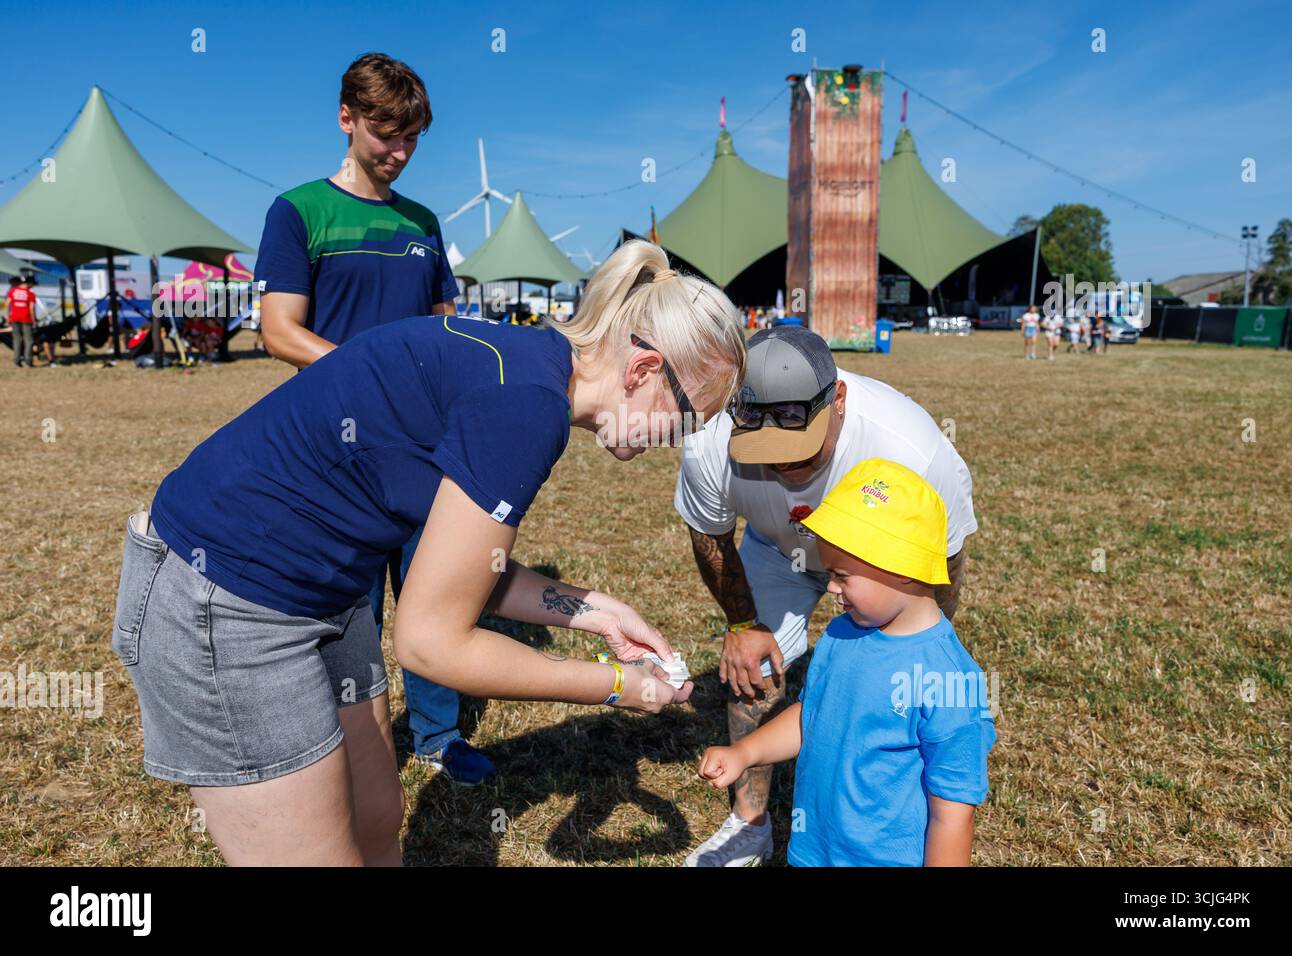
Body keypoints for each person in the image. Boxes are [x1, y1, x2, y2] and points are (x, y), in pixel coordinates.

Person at [111, 239, 746, 866]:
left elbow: (465, 573)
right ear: (642, 371)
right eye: (689, 419)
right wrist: (616, 687)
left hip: (325, 592)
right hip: (228, 598)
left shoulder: (530, 367)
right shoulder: (525, 406)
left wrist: (599, 612)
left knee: (377, 815)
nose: (680, 442)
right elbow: (431, 643)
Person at [254, 54, 492, 784]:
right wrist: (374, 379)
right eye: (386, 135)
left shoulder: (423, 223)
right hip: (339, 452)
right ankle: (349, 742)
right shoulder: (299, 211)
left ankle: (438, 736)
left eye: (411, 140)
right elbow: (279, 330)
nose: (399, 153)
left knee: (434, 595)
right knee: (350, 610)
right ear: (346, 118)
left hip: (424, 450)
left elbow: (445, 324)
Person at [675, 326, 977, 866]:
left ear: (836, 399)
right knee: (754, 669)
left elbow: (943, 562)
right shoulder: (709, 439)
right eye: (763, 452)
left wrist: (917, 645)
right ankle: (749, 822)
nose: (781, 467)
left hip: (882, 569)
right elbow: (709, 532)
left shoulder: (912, 448)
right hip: (774, 548)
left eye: (796, 446)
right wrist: (743, 626)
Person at [698, 459, 996, 865]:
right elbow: (812, 716)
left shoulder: (949, 680)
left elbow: (952, 816)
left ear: (902, 568)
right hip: (812, 853)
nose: (831, 587)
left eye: (842, 575)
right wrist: (745, 753)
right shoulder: (841, 634)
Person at [5, 275, 35, 368]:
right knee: (28, 340)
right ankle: (28, 361)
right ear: (29, 283)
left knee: (16, 340)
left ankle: (16, 362)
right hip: (26, 318)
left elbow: (7, 304)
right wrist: (34, 320)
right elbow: (31, 307)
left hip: (14, 318)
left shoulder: (13, 291)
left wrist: (7, 316)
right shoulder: (30, 293)